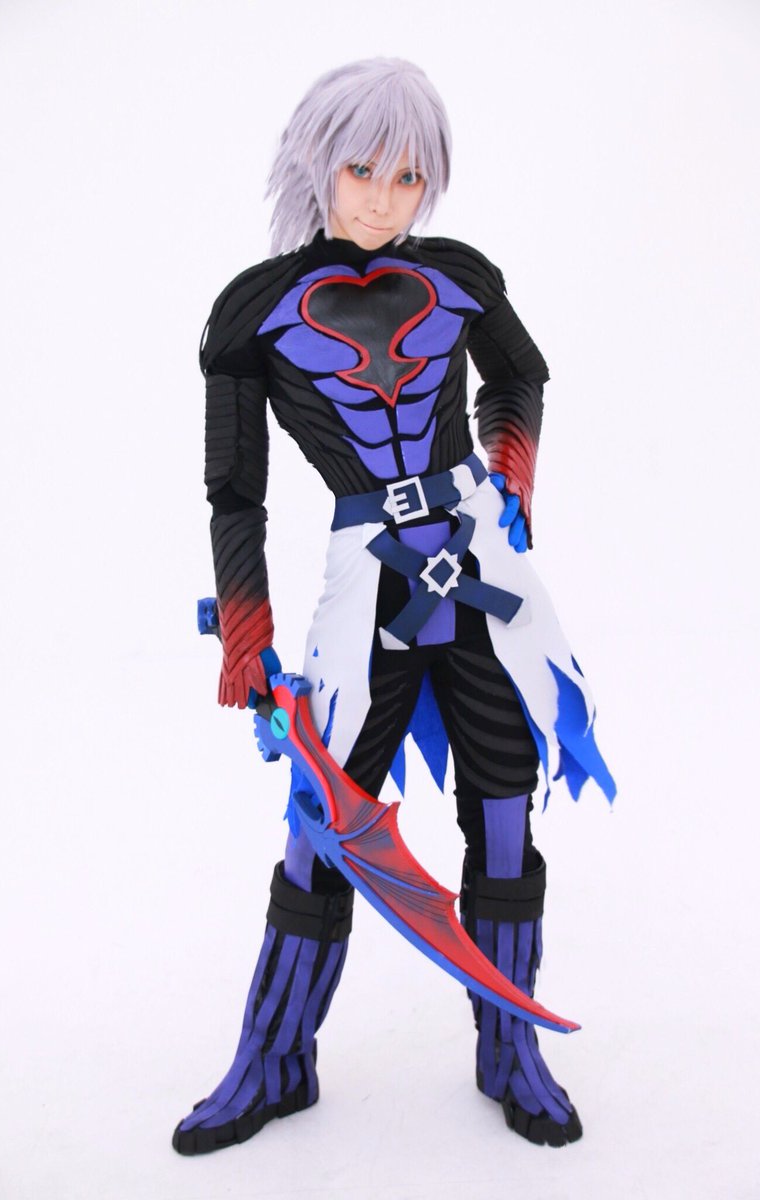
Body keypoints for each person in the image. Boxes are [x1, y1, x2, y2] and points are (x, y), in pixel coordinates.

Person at [173, 56, 615, 1156]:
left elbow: (520, 376)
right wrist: (246, 631)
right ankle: (275, 1058)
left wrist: (511, 474)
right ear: (316, 164)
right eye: (361, 169)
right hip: (364, 580)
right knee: (325, 820)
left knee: (504, 801)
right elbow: (234, 492)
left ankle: (510, 1048)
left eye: (408, 176)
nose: (381, 198)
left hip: (480, 567)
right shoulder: (254, 312)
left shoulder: (457, 278)